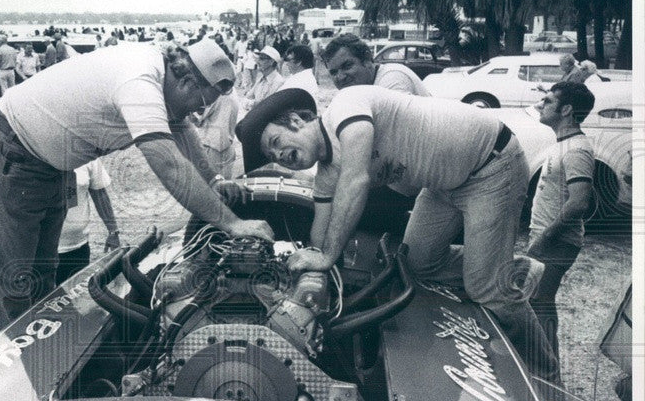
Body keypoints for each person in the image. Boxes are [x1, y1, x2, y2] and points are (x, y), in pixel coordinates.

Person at [239, 84, 559, 381]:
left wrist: (326, 257)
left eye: (276, 142)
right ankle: (511, 264)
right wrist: (308, 259)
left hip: (492, 164)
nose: (279, 156)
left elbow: (356, 182)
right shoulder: (326, 172)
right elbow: (321, 225)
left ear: (296, 120)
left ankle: (546, 373)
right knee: (414, 266)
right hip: (443, 185)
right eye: (272, 156)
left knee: (487, 289)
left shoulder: (346, 111)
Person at [0, 38, 272, 332]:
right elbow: (168, 163)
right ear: (186, 82)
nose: (196, 113)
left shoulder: (166, 80)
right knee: (15, 277)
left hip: (50, 161)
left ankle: (41, 354)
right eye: (200, 104)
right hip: (15, 147)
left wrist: (214, 180)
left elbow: (182, 129)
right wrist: (232, 223)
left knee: (43, 272)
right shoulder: (140, 80)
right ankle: (13, 361)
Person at [0, 160, 121, 285]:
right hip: (37, 252)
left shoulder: (87, 157)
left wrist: (113, 231)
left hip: (76, 248)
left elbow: (100, 195)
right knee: (39, 306)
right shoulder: (29, 158)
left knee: (73, 304)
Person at [526, 81, 596, 359]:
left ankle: (547, 369)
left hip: (557, 241)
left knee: (538, 302)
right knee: (536, 301)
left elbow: (579, 202)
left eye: (548, 102)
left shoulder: (577, 149)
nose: (541, 106)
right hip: (548, 237)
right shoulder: (563, 143)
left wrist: (545, 238)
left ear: (566, 110)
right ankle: (543, 364)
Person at [322, 33, 430, 95]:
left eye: (347, 66)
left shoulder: (392, 79)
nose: (340, 77)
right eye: (334, 72)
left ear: (367, 59)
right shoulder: (360, 89)